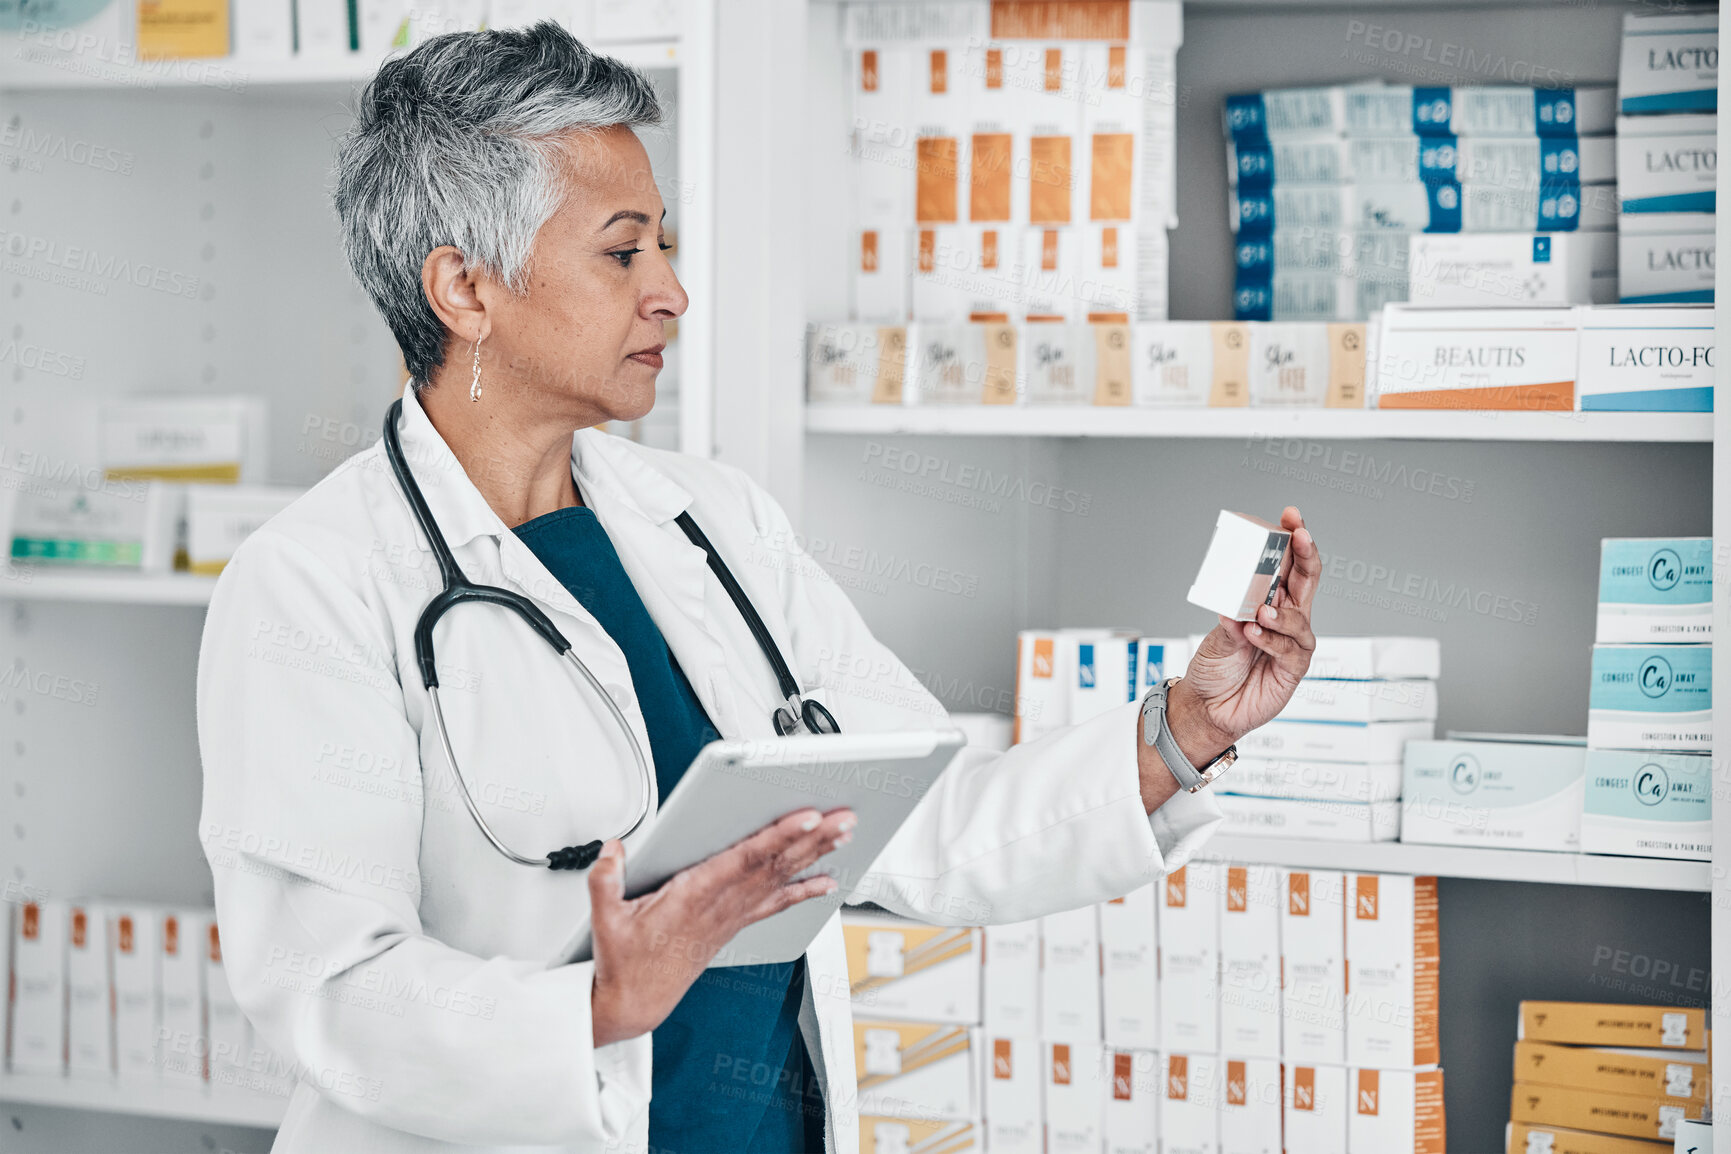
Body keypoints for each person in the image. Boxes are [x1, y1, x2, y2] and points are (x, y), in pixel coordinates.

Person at [196, 22, 1321, 1154]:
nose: (673, 293)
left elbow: (911, 814)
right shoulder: (315, 584)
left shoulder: (711, 523)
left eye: (664, 247)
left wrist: (1181, 730)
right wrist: (597, 1002)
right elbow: (326, 986)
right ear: (465, 288)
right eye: (623, 252)